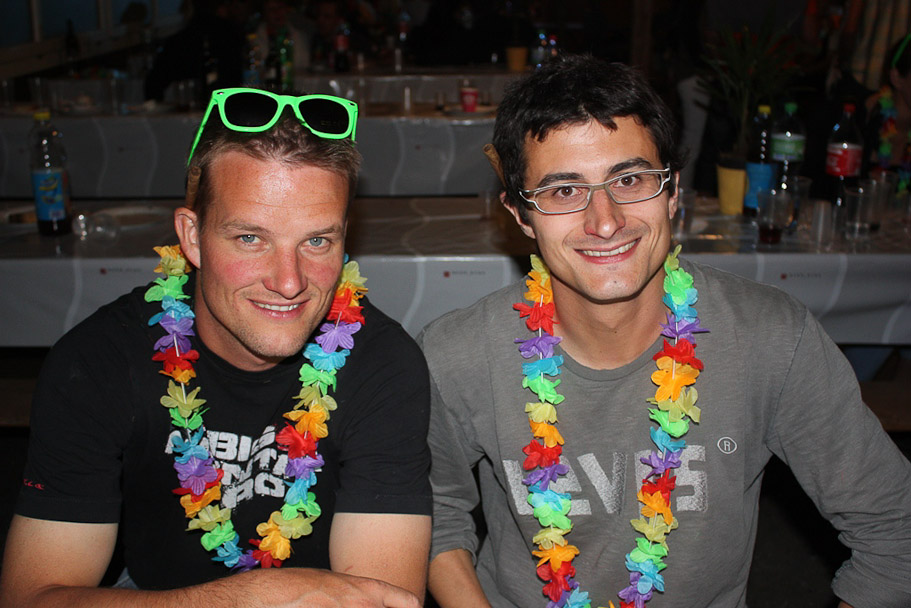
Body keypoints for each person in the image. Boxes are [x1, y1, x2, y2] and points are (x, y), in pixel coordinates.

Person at [419, 54, 911, 608]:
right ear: (519, 214)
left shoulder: (770, 338)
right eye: (564, 191)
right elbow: (432, 512)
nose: (605, 221)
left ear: (674, 189)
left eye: (630, 180)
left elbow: (896, 531)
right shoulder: (457, 354)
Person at [0, 88, 432, 607]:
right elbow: (33, 597)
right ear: (192, 237)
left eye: (317, 241)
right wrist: (247, 598)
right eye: (250, 238)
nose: (289, 282)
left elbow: (382, 599)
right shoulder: (98, 361)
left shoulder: (384, 365)